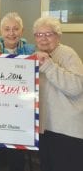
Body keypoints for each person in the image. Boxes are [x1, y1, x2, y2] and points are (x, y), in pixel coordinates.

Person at [0, 12, 35, 171]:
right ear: (1, 31)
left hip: (20, 113)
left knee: (17, 159)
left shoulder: (30, 50)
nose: (11, 33)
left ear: (22, 30)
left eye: (15, 29)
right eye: (7, 29)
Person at [33, 16, 83, 171]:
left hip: (66, 130)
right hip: (44, 128)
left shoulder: (68, 53)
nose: (44, 39)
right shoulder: (35, 56)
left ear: (58, 36)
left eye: (49, 34)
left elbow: (76, 87)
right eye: (39, 35)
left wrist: (48, 65)